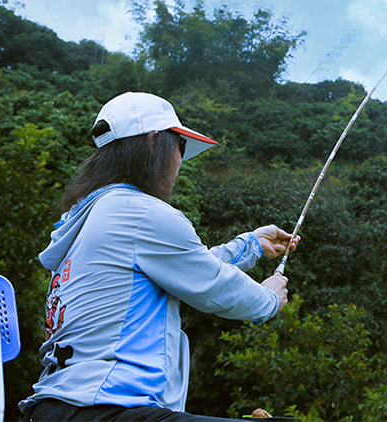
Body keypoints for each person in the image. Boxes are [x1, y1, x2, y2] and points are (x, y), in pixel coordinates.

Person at [18, 92, 299, 422]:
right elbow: (213, 284)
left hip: (56, 408)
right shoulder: (141, 213)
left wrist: (250, 245)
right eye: (179, 146)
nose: (180, 161)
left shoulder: (88, 218)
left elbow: (186, 266)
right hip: (105, 406)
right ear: (154, 143)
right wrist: (269, 298)